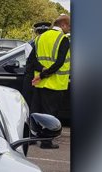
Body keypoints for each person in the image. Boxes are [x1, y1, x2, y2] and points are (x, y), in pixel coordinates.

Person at [30, 14, 70, 148]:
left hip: (39, 83)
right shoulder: (63, 39)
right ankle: (46, 142)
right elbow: (59, 63)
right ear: (63, 25)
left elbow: (32, 60)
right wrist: (44, 75)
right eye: (69, 26)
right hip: (55, 83)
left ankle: (32, 138)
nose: (69, 29)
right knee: (50, 114)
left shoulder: (40, 38)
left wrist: (41, 71)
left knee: (36, 111)